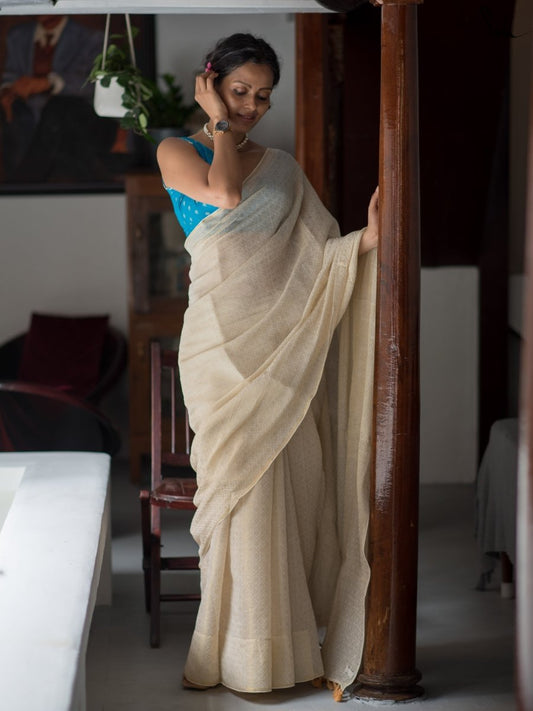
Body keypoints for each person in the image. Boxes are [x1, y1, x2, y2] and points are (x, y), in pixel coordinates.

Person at [157, 33, 379, 701]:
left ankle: (285, 649)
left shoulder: (281, 166)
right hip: (218, 351)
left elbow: (317, 252)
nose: (251, 106)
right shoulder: (177, 150)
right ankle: (235, 655)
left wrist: (366, 240)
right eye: (239, 91)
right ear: (210, 84)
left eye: (262, 96)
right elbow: (224, 195)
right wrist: (219, 126)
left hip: (282, 347)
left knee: (291, 485)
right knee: (241, 496)